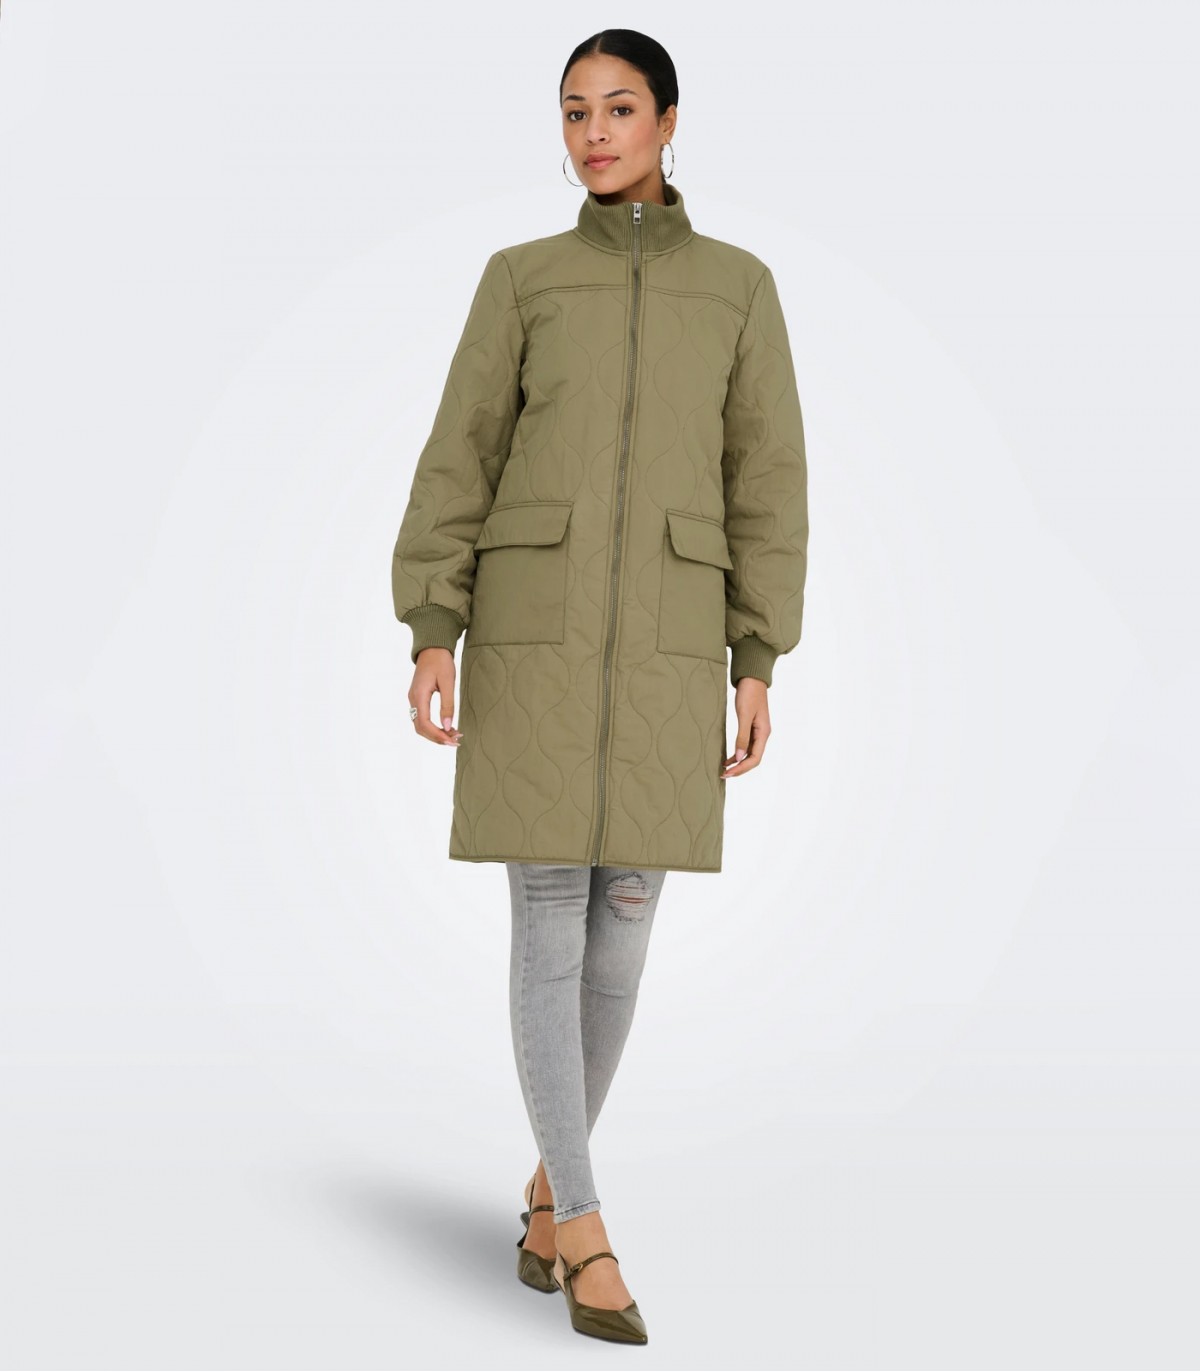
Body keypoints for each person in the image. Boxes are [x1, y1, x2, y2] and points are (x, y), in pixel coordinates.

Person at [391, 29, 808, 1344]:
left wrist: (758, 654)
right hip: (535, 631)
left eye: (619, 109)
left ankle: (544, 1192)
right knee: (549, 911)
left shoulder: (739, 290)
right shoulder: (522, 280)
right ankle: (583, 1222)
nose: (594, 133)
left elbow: (767, 483)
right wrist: (434, 624)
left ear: (669, 122)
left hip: (675, 638)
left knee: (625, 916)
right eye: (574, 112)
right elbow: (459, 454)